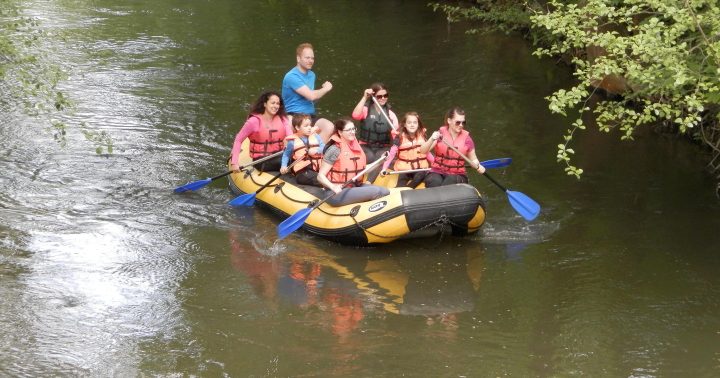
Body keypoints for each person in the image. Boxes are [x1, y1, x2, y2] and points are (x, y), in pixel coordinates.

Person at [316, 118, 390, 207]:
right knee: (376, 192)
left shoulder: (354, 147)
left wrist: (381, 161)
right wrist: (333, 187)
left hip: (354, 187)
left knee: (385, 191)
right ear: (340, 132)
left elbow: (363, 170)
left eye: (353, 129)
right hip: (336, 193)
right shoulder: (335, 149)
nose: (352, 132)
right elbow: (320, 176)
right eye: (348, 130)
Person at [419, 107, 486, 187]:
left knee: (450, 180)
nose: (461, 125)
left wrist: (478, 165)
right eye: (458, 122)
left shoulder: (467, 140)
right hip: (437, 171)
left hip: (458, 175)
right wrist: (431, 139)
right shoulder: (439, 135)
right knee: (433, 181)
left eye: (463, 122)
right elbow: (423, 151)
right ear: (449, 121)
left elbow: (473, 159)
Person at [281, 42, 335, 143]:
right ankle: (295, 153)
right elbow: (311, 96)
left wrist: (318, 93)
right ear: (298, 58)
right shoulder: (291, 76)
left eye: (312, 58)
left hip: (309, 115)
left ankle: (315, 153)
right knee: (289, 123)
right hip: (294, 115)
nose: (310, 61)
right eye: (307, 58)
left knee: (329, 127)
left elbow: (311, 99)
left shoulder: (312, 75)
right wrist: (325, 89)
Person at [230, 91, 293, 172]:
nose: (276, 106)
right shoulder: (254, 121)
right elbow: (238, 140)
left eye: (278, 103)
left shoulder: (282, 119)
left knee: (295, 158)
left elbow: (291, 137)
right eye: (273, 103)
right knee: (287, 161)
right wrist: (234, 163)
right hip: (261, 160)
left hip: (278, 155)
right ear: (265, 104)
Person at [351, 83, 399, 182]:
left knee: (380, 157)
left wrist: (396, 135)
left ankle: (369, 183)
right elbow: (355, 115)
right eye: (379, 96)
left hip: (383, 146)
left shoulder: (391, 115)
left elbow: (396, 137)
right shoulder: (366, 110)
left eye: (385, 96)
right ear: (374, 97)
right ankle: (356, 181)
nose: (383, 98)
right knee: (369, 156)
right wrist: (365, 97)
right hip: (366, 145)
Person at [380, 112, 434, 188]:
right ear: (405, 124)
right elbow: (391, 154)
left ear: (418, 124)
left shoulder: (421, 136)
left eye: (415, 123)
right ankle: (399, 190)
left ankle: (408, 189)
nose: (412, 125)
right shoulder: (399, 137)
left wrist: (435, 163)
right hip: (405, 169)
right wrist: (384, 168)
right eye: (409, 123)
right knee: (401, 182)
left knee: (421, 174)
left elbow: (427, 153)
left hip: (419, 169)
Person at [280, 113, 324, 186]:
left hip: (317, 167)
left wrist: (317, 150)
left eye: (310, 125)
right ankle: (324, 184)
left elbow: (324, 147)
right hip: (303, 171)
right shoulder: (292, 142)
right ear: (297, 127)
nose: (309, 128)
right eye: (306, 126)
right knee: (318, 179)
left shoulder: (316, 136)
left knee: (326, 176)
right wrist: (283, 166)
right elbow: (286, 155)